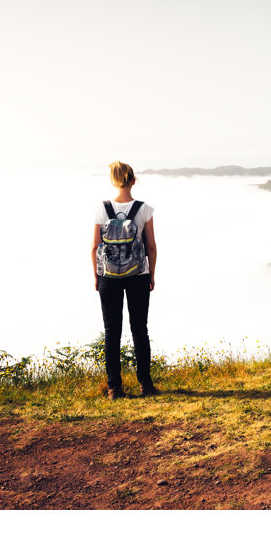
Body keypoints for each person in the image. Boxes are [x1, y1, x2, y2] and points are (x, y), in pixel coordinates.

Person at [92, 160, 159, 399]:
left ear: (113, 181)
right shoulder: (144, 209)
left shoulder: (102, 208)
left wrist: (97, 275)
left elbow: (94, 246)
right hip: (137, 275)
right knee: (140, 330)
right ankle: (146, 385)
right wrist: (151, 274)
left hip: (108, 276)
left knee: (112, 332)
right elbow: (150, 246)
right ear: (133, 180)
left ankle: (114, 388)